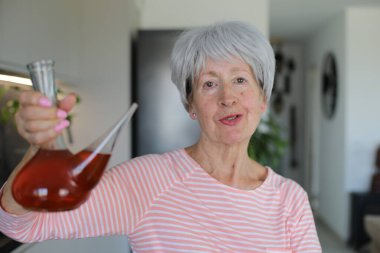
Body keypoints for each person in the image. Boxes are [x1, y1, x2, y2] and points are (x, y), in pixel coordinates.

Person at [0, 21, 321, 252]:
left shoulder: (289, 200)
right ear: (191, 105)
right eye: (209, 84)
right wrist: (41, 152)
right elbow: (20, 225)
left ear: (262, 99)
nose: (228, 97)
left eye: (240, 80)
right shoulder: (147, 181)